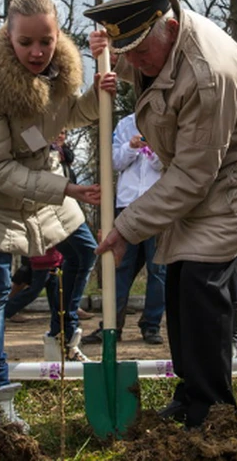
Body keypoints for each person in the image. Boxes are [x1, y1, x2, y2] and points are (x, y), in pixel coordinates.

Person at [87, 0, 237, 429]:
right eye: (125, 52)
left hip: (235, 169)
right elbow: (128, 55)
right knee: (177, 279)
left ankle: (213, 412)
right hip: (191, 164)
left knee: (200, 279)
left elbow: (195, 176)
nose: (132, 63)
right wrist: (104, 50)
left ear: (170, 28)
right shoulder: (149, 43)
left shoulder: (206, 74)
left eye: (139, 53)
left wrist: (124, 226)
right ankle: (191, 391)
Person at [0, 0, 114, 432]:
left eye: (45, 40)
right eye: (25, 42)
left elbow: (70, 116)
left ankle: (61, 336)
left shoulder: (62, 69)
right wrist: (67, 188)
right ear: (9, 36)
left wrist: (99, 91)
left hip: (43, 184)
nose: (36, 51)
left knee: (85, 252)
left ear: (57, 34)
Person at [83, 112, 166, 346]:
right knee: (120, 268)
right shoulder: (124, 124)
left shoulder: (166, 120)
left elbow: (166, 162)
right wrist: (131, 146)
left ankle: (151, 325)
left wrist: (152, 147)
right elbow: (114, 162)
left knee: (158, 269)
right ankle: (111, 326)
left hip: (157, 204)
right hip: (126, 205)